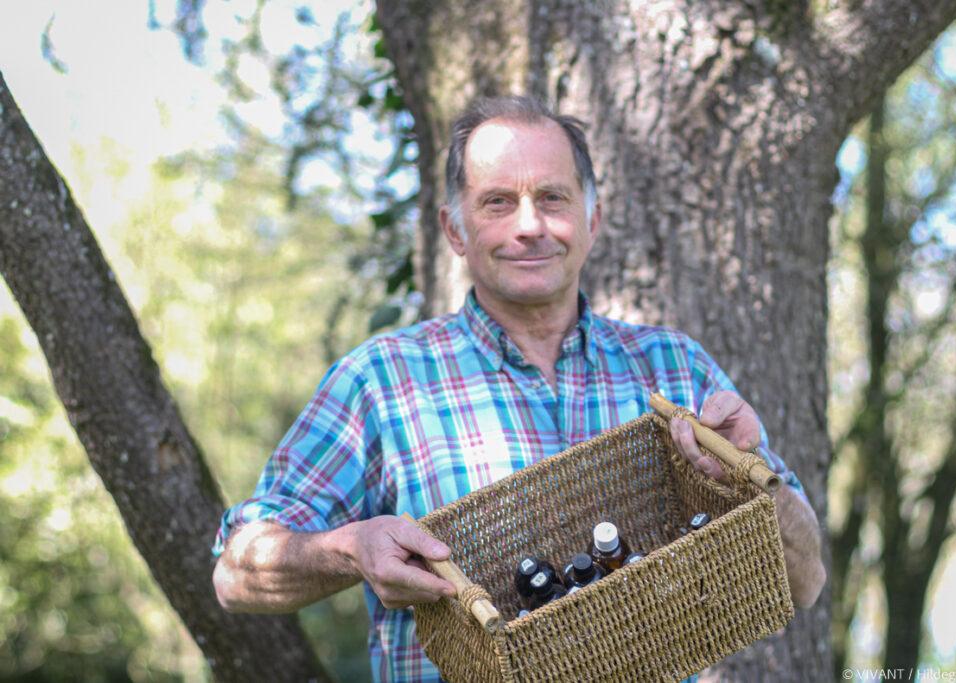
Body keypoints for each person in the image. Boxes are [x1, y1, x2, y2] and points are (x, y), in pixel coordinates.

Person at [211, 95, 826, 682]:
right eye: (498, 202)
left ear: (593, 219)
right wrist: (351, 549)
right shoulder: (381, 381)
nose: (529, 226)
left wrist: (751, 478)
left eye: (553, 198)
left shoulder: (675, 369)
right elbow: (235, 574)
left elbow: (805, 580)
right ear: (455, 231)